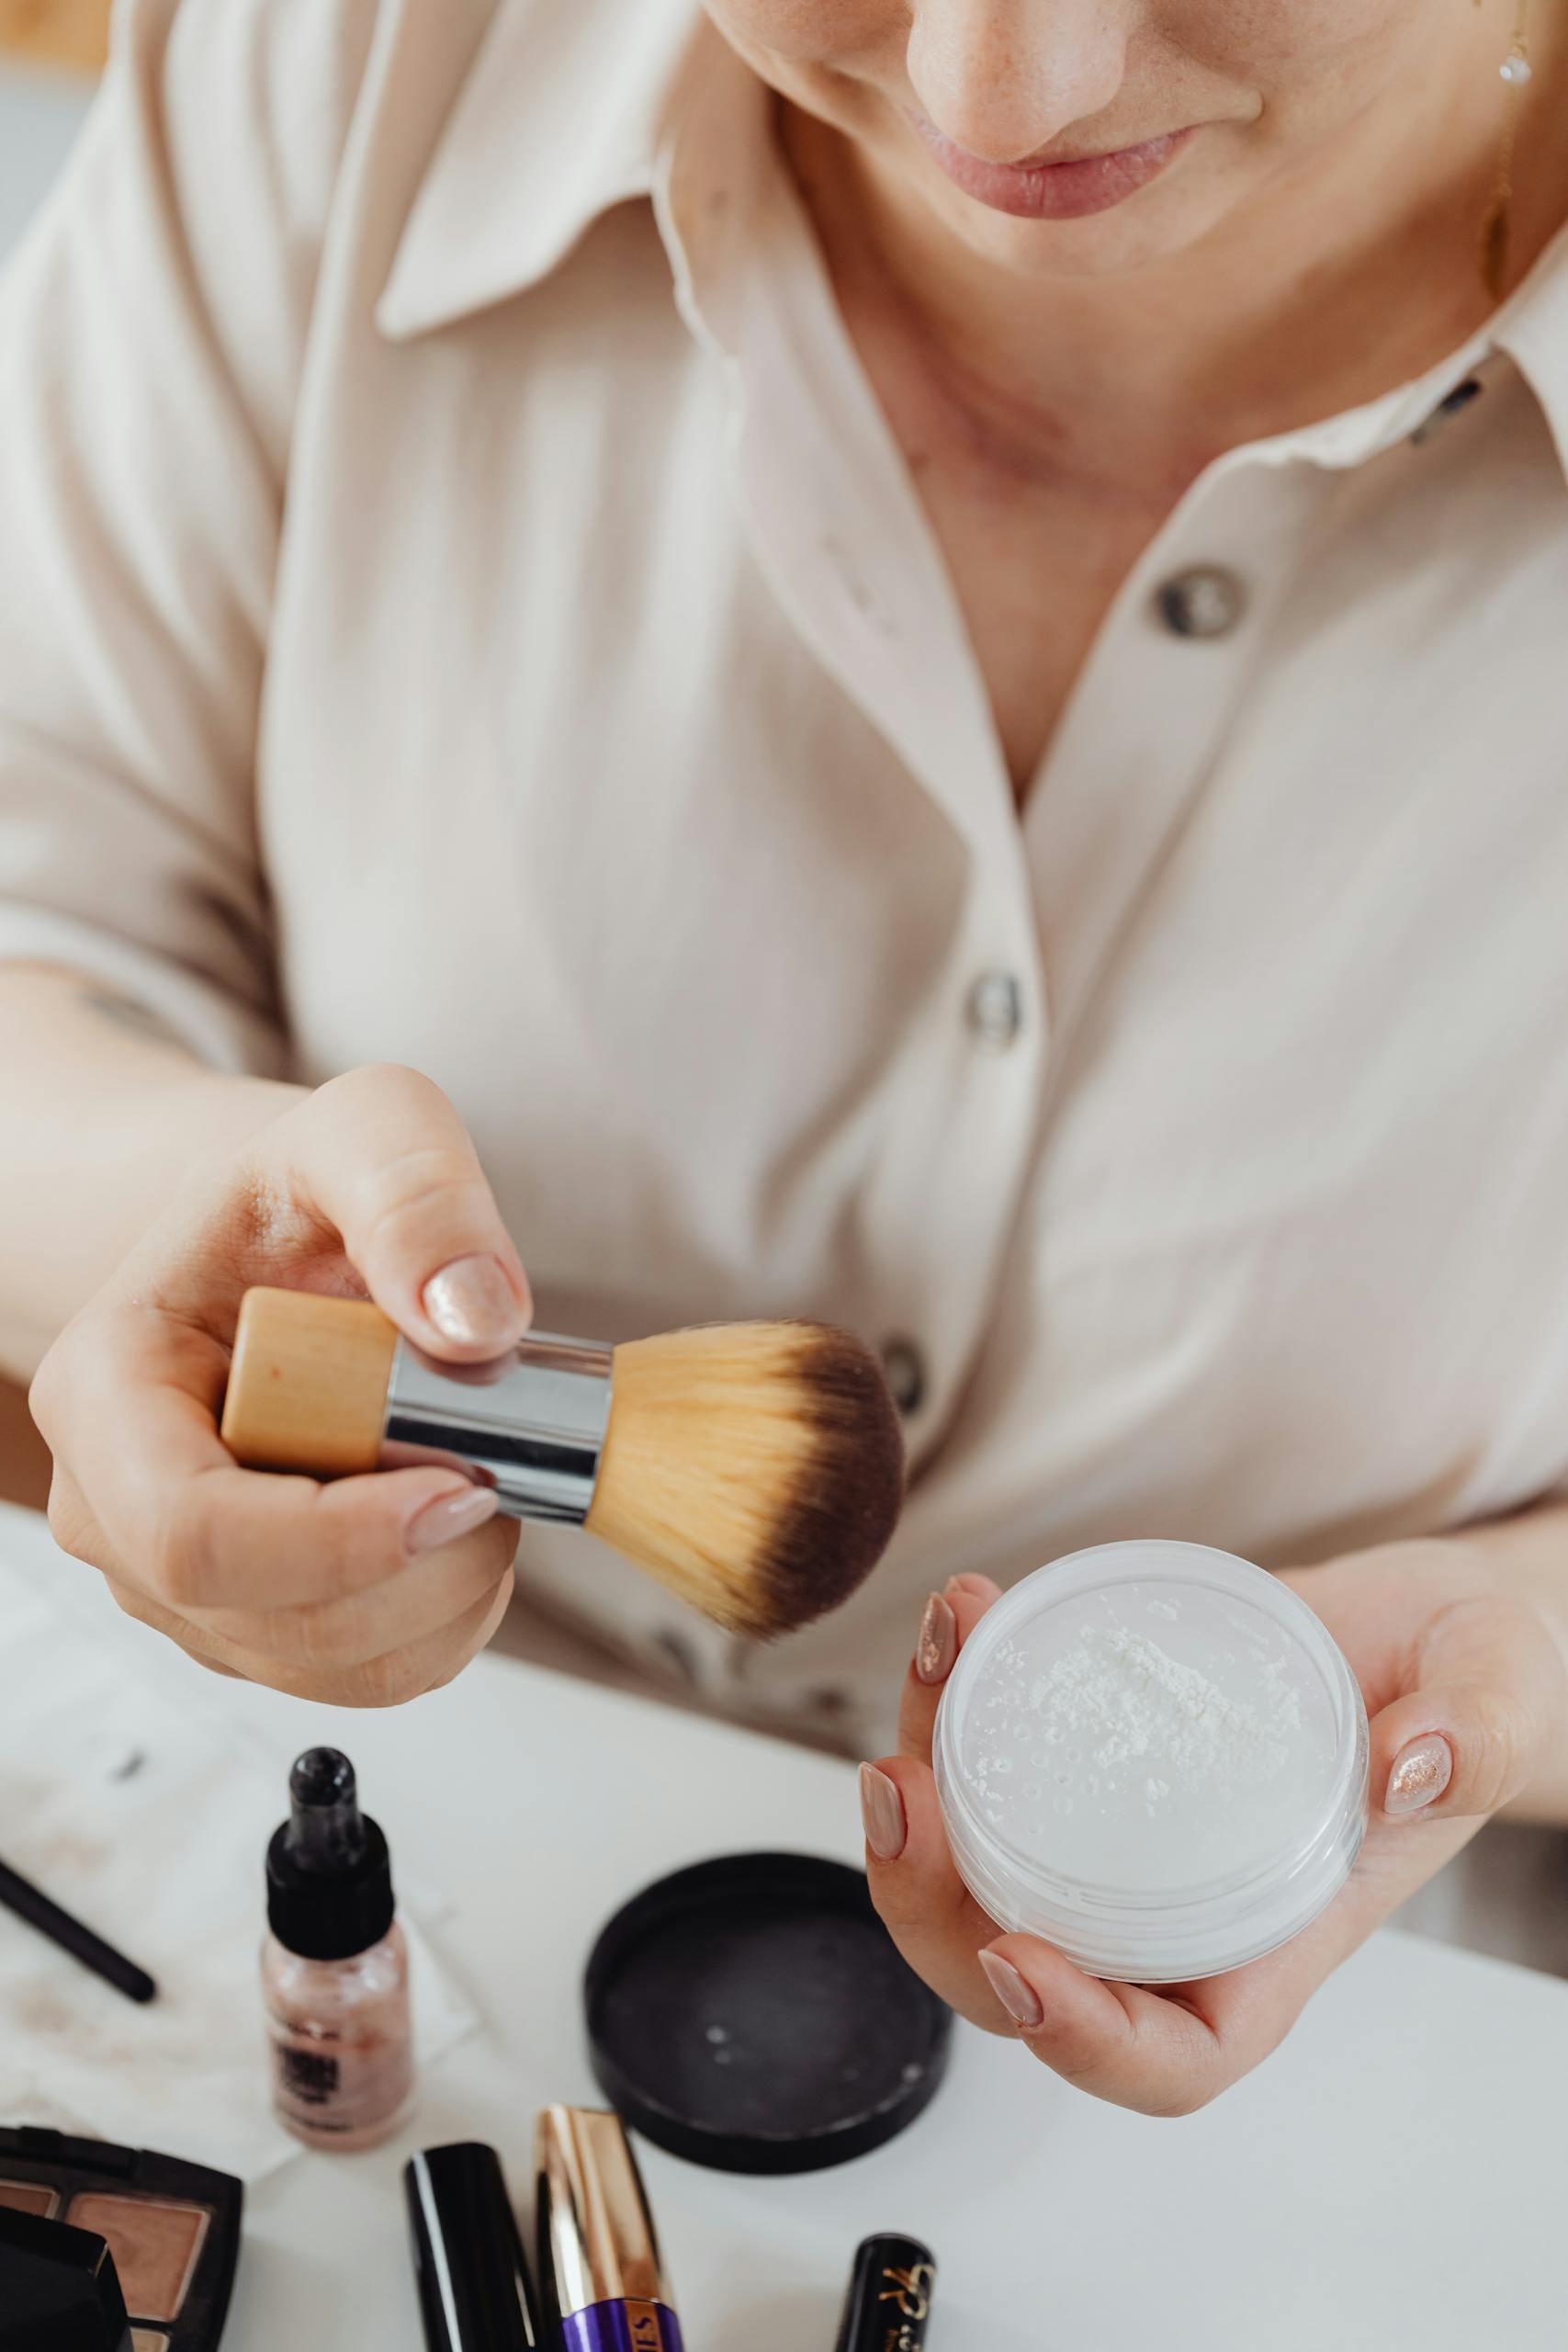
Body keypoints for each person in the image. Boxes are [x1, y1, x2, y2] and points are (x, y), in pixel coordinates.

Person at [3, 0, 1567, 2116]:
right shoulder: (348, 56)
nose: (994, 95)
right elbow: (37, 926)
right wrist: (158, 1230)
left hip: (1341, 2074)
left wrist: (1505, 1655)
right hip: (377, 1886)